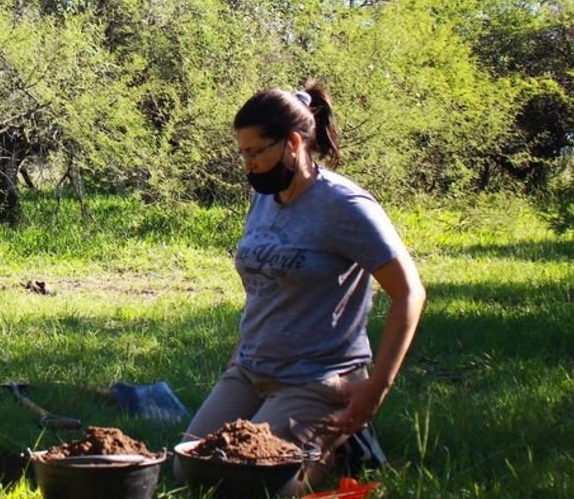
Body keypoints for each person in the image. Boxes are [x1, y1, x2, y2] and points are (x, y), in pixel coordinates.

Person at [176, 82, 426, 494]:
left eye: (256, 152)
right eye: (243, 152)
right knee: (191, 471)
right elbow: (265, 280)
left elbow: (409, 292)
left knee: (254, 486)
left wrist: (376, 387)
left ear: (293, 142)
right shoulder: (264, 198)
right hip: (251, 369)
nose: (248, 164)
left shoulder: (345, 206)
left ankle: (341, 443)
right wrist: (242, 351)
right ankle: (305, 439)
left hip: (318, 377)